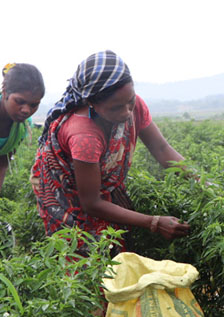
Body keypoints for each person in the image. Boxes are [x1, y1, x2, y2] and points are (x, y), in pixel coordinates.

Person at [31, 50, 190, 250]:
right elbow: (91, 202)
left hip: (97, 190)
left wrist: (202, 182)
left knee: (117, 251)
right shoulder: (84, 135)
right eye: (115, 108)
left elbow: (161, 148)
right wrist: (154, 222)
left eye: (130, 101)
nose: (126, 112)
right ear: (92, 103)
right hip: (70, 198)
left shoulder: (134, 105)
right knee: (82, 261)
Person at [0, 63, 44, 193]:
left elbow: (2, 163)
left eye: (34, 105)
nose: (26, 110)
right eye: (19, 101)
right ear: (5, 93)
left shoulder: (23, 127)